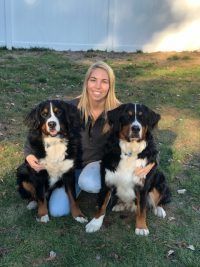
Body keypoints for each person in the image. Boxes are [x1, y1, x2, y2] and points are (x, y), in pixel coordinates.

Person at [25, 61, 154, 217]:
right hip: (68, 166)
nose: (98, 86)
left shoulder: (120, 111)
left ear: (110, 85)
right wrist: (29, 154)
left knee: (90, 183)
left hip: (98, 165)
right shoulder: (69, 107)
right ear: (86, 82)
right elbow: (38, 130)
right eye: (93, 80)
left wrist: (152, 161)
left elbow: (146, 137)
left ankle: (112, 192)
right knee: (58, 210)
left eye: (104, 81)